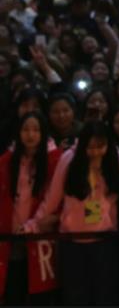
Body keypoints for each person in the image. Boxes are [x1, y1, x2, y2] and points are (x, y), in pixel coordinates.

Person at [26, 121, 119, 304]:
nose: (95, 152)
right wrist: (34, 223)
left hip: (105, 238)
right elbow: (53, 196)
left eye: (100, 146)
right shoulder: (69, 159)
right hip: (72, 239)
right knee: (75, 296)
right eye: (90, 147)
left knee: (104, 294)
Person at [0, 112, 62, 305]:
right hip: (11, 234)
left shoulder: (55, 159)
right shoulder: (6, 160)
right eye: (25, 129)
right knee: (13, 290)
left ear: (43, 133)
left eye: (36, 130)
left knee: (41, 295)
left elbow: (58, 198)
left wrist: (44, 221)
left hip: (41, 235)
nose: (30, 135)